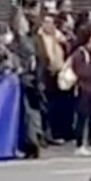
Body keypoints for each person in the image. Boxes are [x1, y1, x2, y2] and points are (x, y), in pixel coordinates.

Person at [36, 14, 71, 144]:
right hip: (46, 74)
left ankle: (59, 133)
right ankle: (47, 133)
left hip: (60, 74)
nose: (48, 25)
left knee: (60, 106)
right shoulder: (39, 38)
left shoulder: (60, 37)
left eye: (50, 23)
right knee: (47, 106)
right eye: (45, 22)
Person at [71, 25, 91, 156]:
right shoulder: (80, 53)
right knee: (82, 117)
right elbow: (81, 71)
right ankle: (79, 144)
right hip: (83, 89)